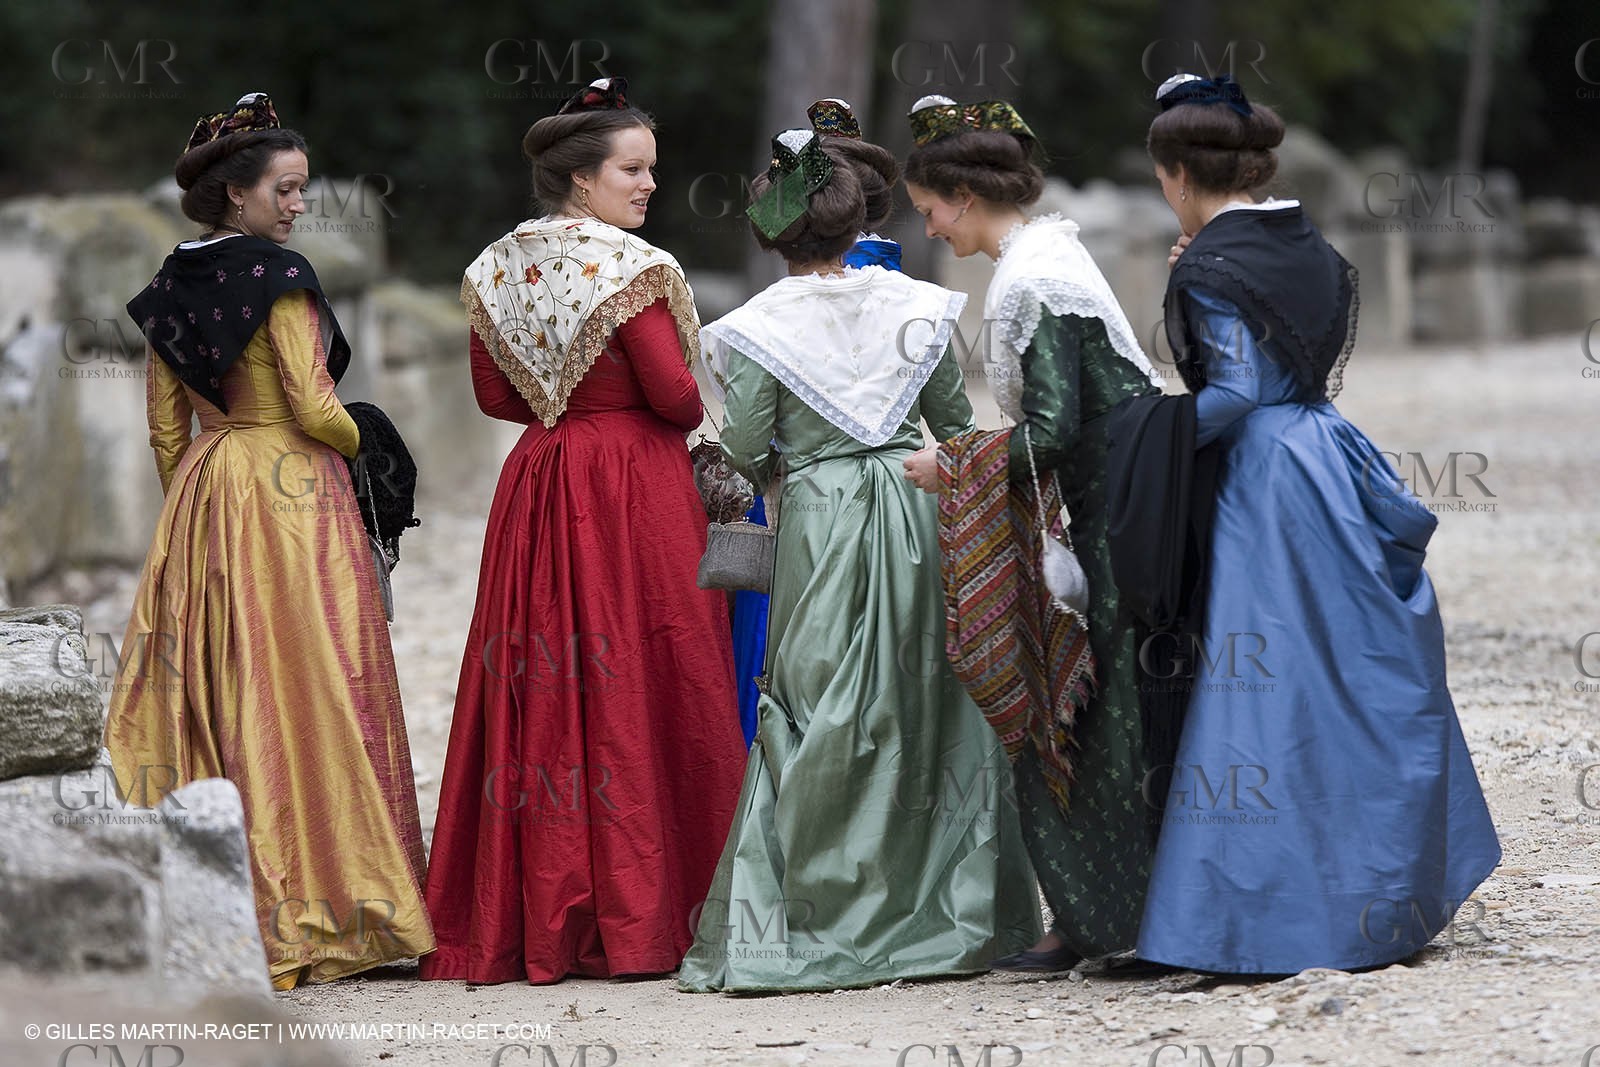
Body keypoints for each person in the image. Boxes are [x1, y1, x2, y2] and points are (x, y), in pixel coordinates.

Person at [1134, 74, 1501, 973]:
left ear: (1179, 172)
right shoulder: (1303, 241)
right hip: (1329, 456)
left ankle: (1262, 914)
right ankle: (1381, 889)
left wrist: (1140, 429)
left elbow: (1237, 392)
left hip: (1266, 480)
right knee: (1347, 674)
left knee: (1266, 687)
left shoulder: (1213, 264)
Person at [678, 128, 1041, 993]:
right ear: (854, 221)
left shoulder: (761, 327)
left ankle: (810, 913)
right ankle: (937, 907)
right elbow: (955, 427)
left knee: (817, 701)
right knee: (922, 698)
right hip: (914, 509)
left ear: (776, 234)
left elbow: (748, 443)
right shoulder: (916, 305)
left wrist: (725, 454)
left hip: (823, 519)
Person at [420, 77, 746, 985]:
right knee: (652, 661)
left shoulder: (495, 266)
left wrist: (562, 402)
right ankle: (650, 910)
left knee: (543, 675)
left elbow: (495, 397)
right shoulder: (629, 270)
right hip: (631, 482)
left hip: (541, 478)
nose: (648, 185)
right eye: (633, 169)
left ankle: (530, 913)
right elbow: (678, 401)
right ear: (582, 178)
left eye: (650, 169)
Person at [109, 92, 434, 989]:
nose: (298, 206)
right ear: (237, 195)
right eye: (285, 190)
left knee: (222, 683)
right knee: (312, 679)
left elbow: (165, 432)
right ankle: (337, 912)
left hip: (208, 493)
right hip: (291, 497)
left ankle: (225, 905)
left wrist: (197, 503)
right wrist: (367, 441)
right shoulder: (277, 278)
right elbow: (311, 405)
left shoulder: (171, 284)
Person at [900, 95, 1164, 972]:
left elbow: (1052, 428)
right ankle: (1096, 916)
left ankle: (1119, 918)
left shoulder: (1037, 278)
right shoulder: (1045, 256)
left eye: (930, 208)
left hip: (1115, 515)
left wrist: (959, 463)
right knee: (1095, 710)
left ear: (964, 196)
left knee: (1097, 711)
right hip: (1106, 505)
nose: (930, 227)